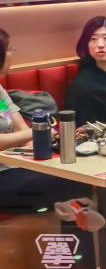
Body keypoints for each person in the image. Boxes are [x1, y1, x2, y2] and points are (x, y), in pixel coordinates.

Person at [0, 28, 89, 213]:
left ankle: (81, 227)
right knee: (61, 185)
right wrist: (39, 131)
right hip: (4, 173)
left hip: (14, 165)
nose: (12, 53)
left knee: (79, 179)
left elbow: (20, 128)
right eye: (9, 49)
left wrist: (45, 135)